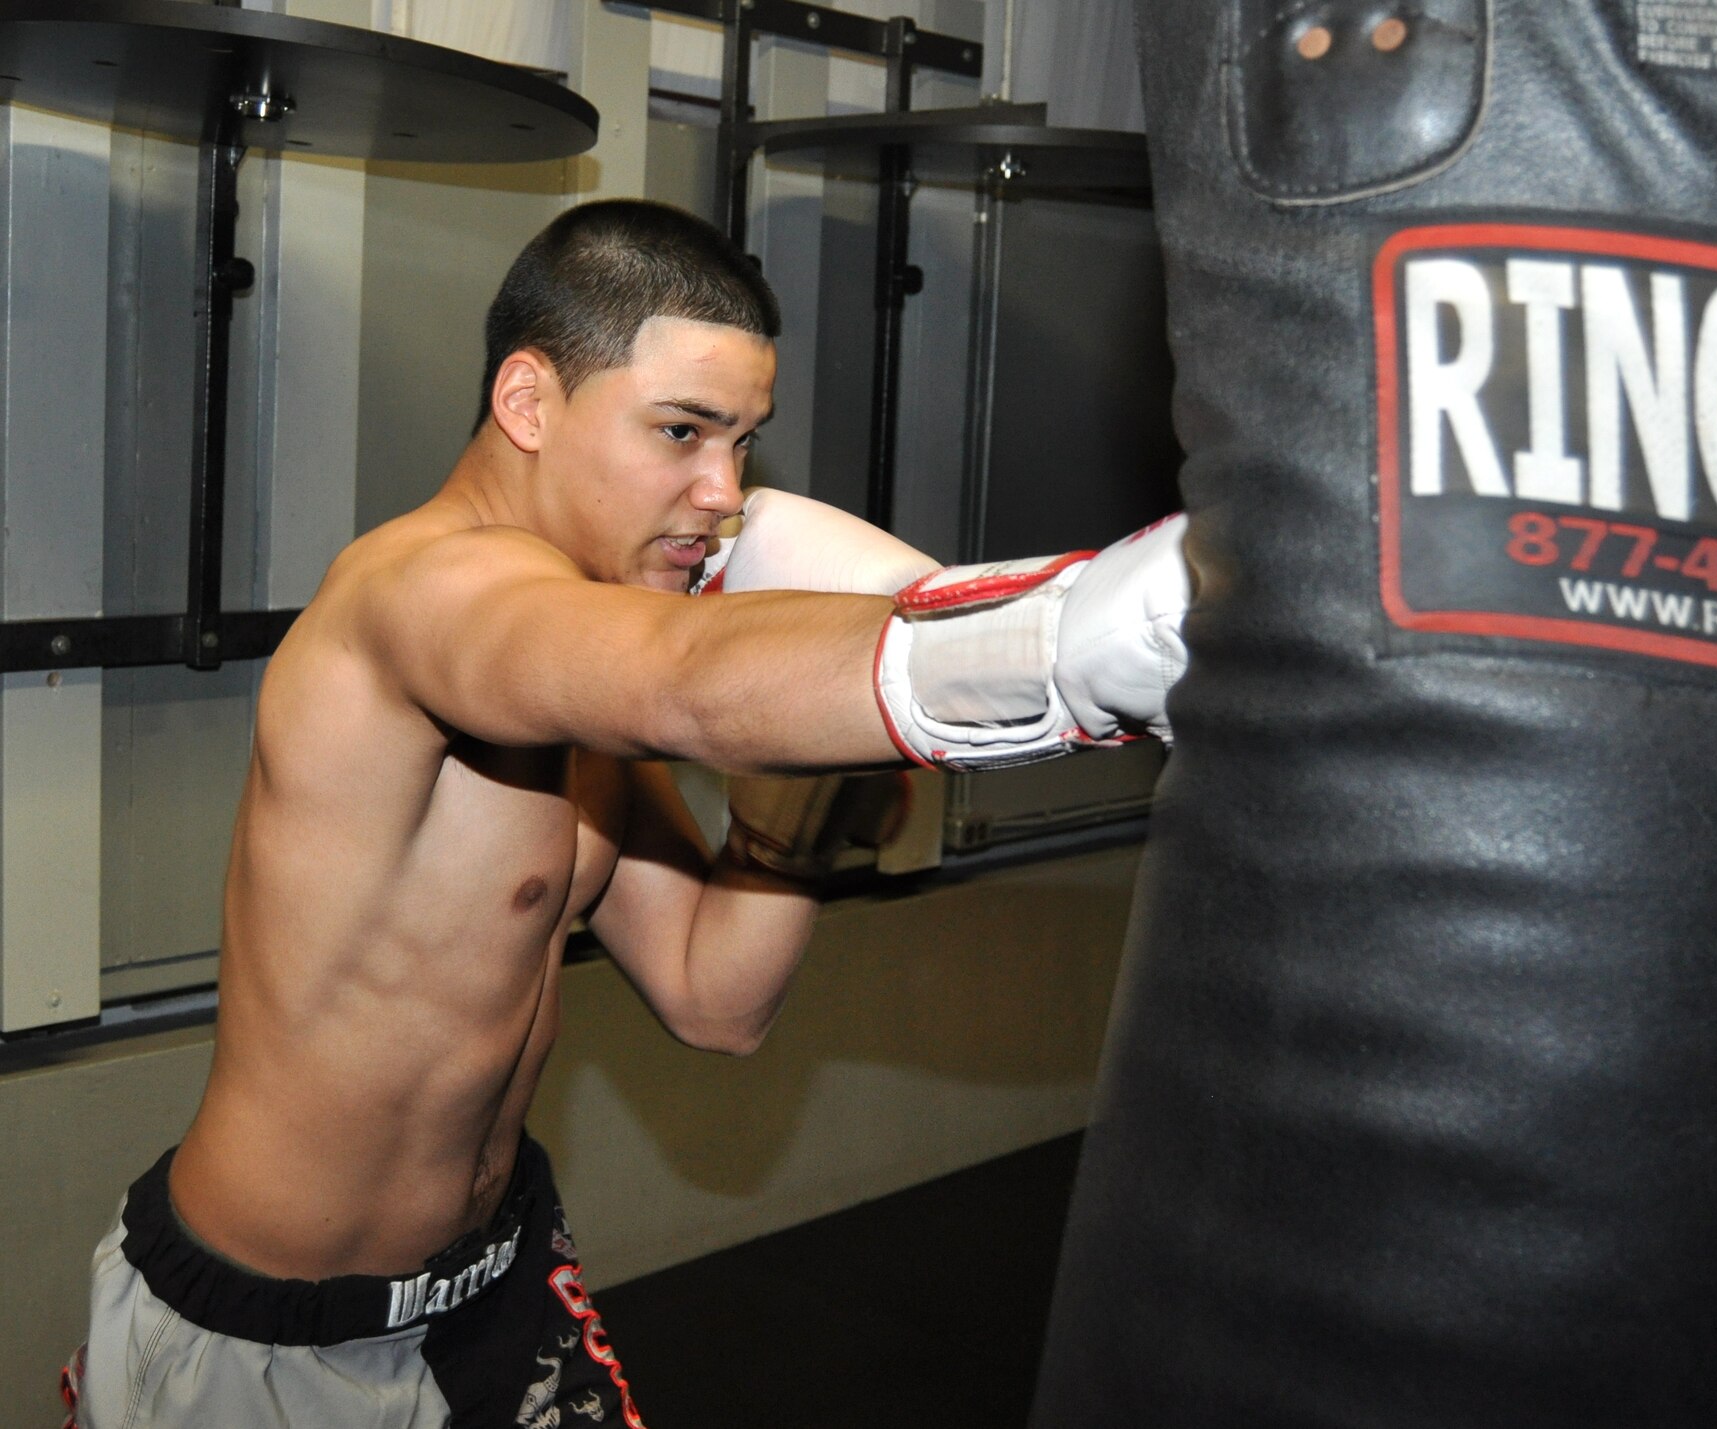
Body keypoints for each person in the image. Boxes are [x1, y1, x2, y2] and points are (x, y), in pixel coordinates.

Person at [62, 199, 1189, 1429]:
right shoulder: (423, 593)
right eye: (680, 431)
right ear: (529, 403)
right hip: (270, 1341)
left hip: (493, 1285)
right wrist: (1073, 646)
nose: (722, 491)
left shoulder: (573, 669)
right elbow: (678, 682)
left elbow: (717, 1000)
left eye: (744, 442)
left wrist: (795, 811)